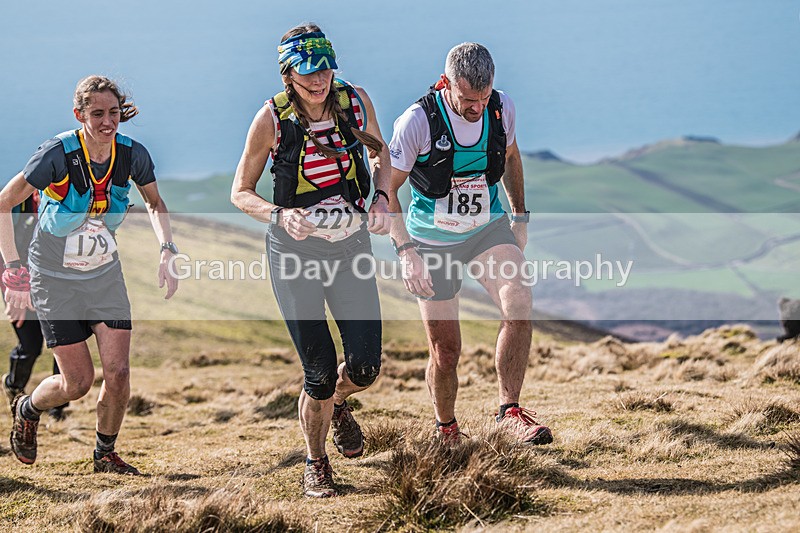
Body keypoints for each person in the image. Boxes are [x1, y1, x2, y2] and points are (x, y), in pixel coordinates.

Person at [231, 23, 391, 497]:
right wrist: (279, 214)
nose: (318, 81)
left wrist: (381, 196)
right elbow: (240, 192)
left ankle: (338, 403)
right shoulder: (271, 120)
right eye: (307, 75)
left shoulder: (355, 101)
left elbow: (380, 155)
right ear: (288, 76)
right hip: (295, 255)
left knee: (364, 368)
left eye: (323, 70)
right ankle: (316, 463)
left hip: (349, 248)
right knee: (318, 374)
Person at [0, 75, 179, 475]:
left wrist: (166, 249)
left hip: (103, 274)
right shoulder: (56, 155)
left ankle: (105, 454)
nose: (107, 122)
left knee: (118, 373)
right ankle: (28, 408)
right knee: (77, 383)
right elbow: (4, 203)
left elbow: (153, 202)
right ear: (79, 114)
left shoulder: (133, 154)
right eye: (97, 113)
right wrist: (13, 268)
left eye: (113, 112)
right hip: (52, 276)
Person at [387, 43, 553, 445]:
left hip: (487, 230)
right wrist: (406, 252)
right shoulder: (416, 121)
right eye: (467, 100)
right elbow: (387, 190)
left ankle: (509, 411)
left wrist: (521, 216)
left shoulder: (501, 108)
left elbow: (511, 157)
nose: (476, 107)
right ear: (447, 84)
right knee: (446, 352)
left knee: (519, 301)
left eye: (483, 97)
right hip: (431, 240)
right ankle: (447, 429)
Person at [1, 192, 68, 420]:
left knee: (66, 342)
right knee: (31, 345)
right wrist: (14, 292)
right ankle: (13, 386)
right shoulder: (15, 206)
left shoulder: (67, 204)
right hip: (19, 285)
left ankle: (57, 409)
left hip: (56, 286)